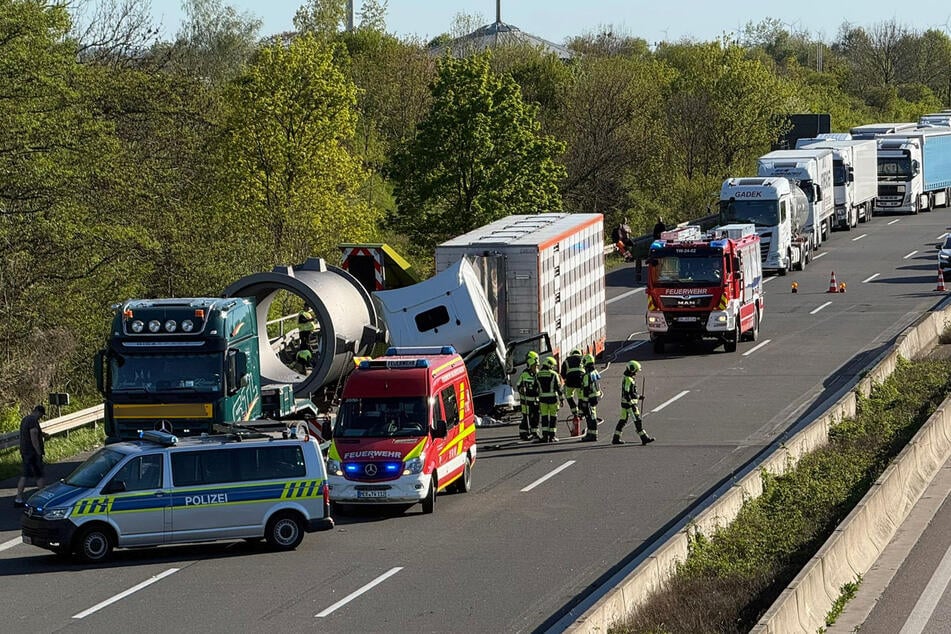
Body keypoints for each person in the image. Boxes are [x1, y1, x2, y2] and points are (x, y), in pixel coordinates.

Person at [613, 360, 655, 445]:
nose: (636, 372)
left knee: (622, 421)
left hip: (625, 403)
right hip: (629, 404)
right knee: (637, 420)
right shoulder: (628, 379)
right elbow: (627, 392)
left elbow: (631, 393)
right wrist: (631, 403)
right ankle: (644, 438)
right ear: (632, 370)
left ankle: (616, 438)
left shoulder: (627, 378)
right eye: (636, 370)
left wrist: (639, 397)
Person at [15, 404, 46, 507]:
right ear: (38, 412)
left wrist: (42, 434)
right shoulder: (33, 421)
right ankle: (44, 499)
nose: (40, 417)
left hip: (25, 451)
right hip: (32, 453)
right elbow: (33, 435)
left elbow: (29, 434)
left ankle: (18, 499)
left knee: (25, 475)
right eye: (41, 415)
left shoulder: (25, 419)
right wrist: (38, 452)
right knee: (39, 475)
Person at [535, 356, 565, 443]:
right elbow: (558, 388)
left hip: (542, 399)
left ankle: (545, 436)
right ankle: (552, 437)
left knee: (544, 417)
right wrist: (561, 399)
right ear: (549, 364)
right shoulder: (554, 374)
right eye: (552, 365)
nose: (553, 367)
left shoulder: (538, 374)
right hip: (552, 399)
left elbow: (534, 387)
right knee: (553, 417)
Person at [517, 353, 541, 441]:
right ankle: (523, 433)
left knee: (536, 417)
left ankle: (534, 433)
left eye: (537, 365)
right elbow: (518, 385)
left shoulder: (538, 374)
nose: (536, 367)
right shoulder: (525, 374)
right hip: (526, 401)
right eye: (534, 365)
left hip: (536, 401)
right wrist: (521, 389)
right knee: (526, 417)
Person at [579, 355, 603, 442]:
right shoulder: (594, 372)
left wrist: (584, 402)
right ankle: (590, 433)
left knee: (591, 417)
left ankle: (592, 435)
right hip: (595, 397)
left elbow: (586, 389)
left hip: (590, 399)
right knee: (592, 415)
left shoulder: (587, 375)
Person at [560, 348, 585, 422]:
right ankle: (581, 413)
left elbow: (562, 373)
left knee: (569, 396)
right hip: (580, 380)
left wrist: (565, 380)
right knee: (581, 397)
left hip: (570, 380)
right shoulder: (583, 359)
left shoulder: (566, 360)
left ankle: (574, 412)